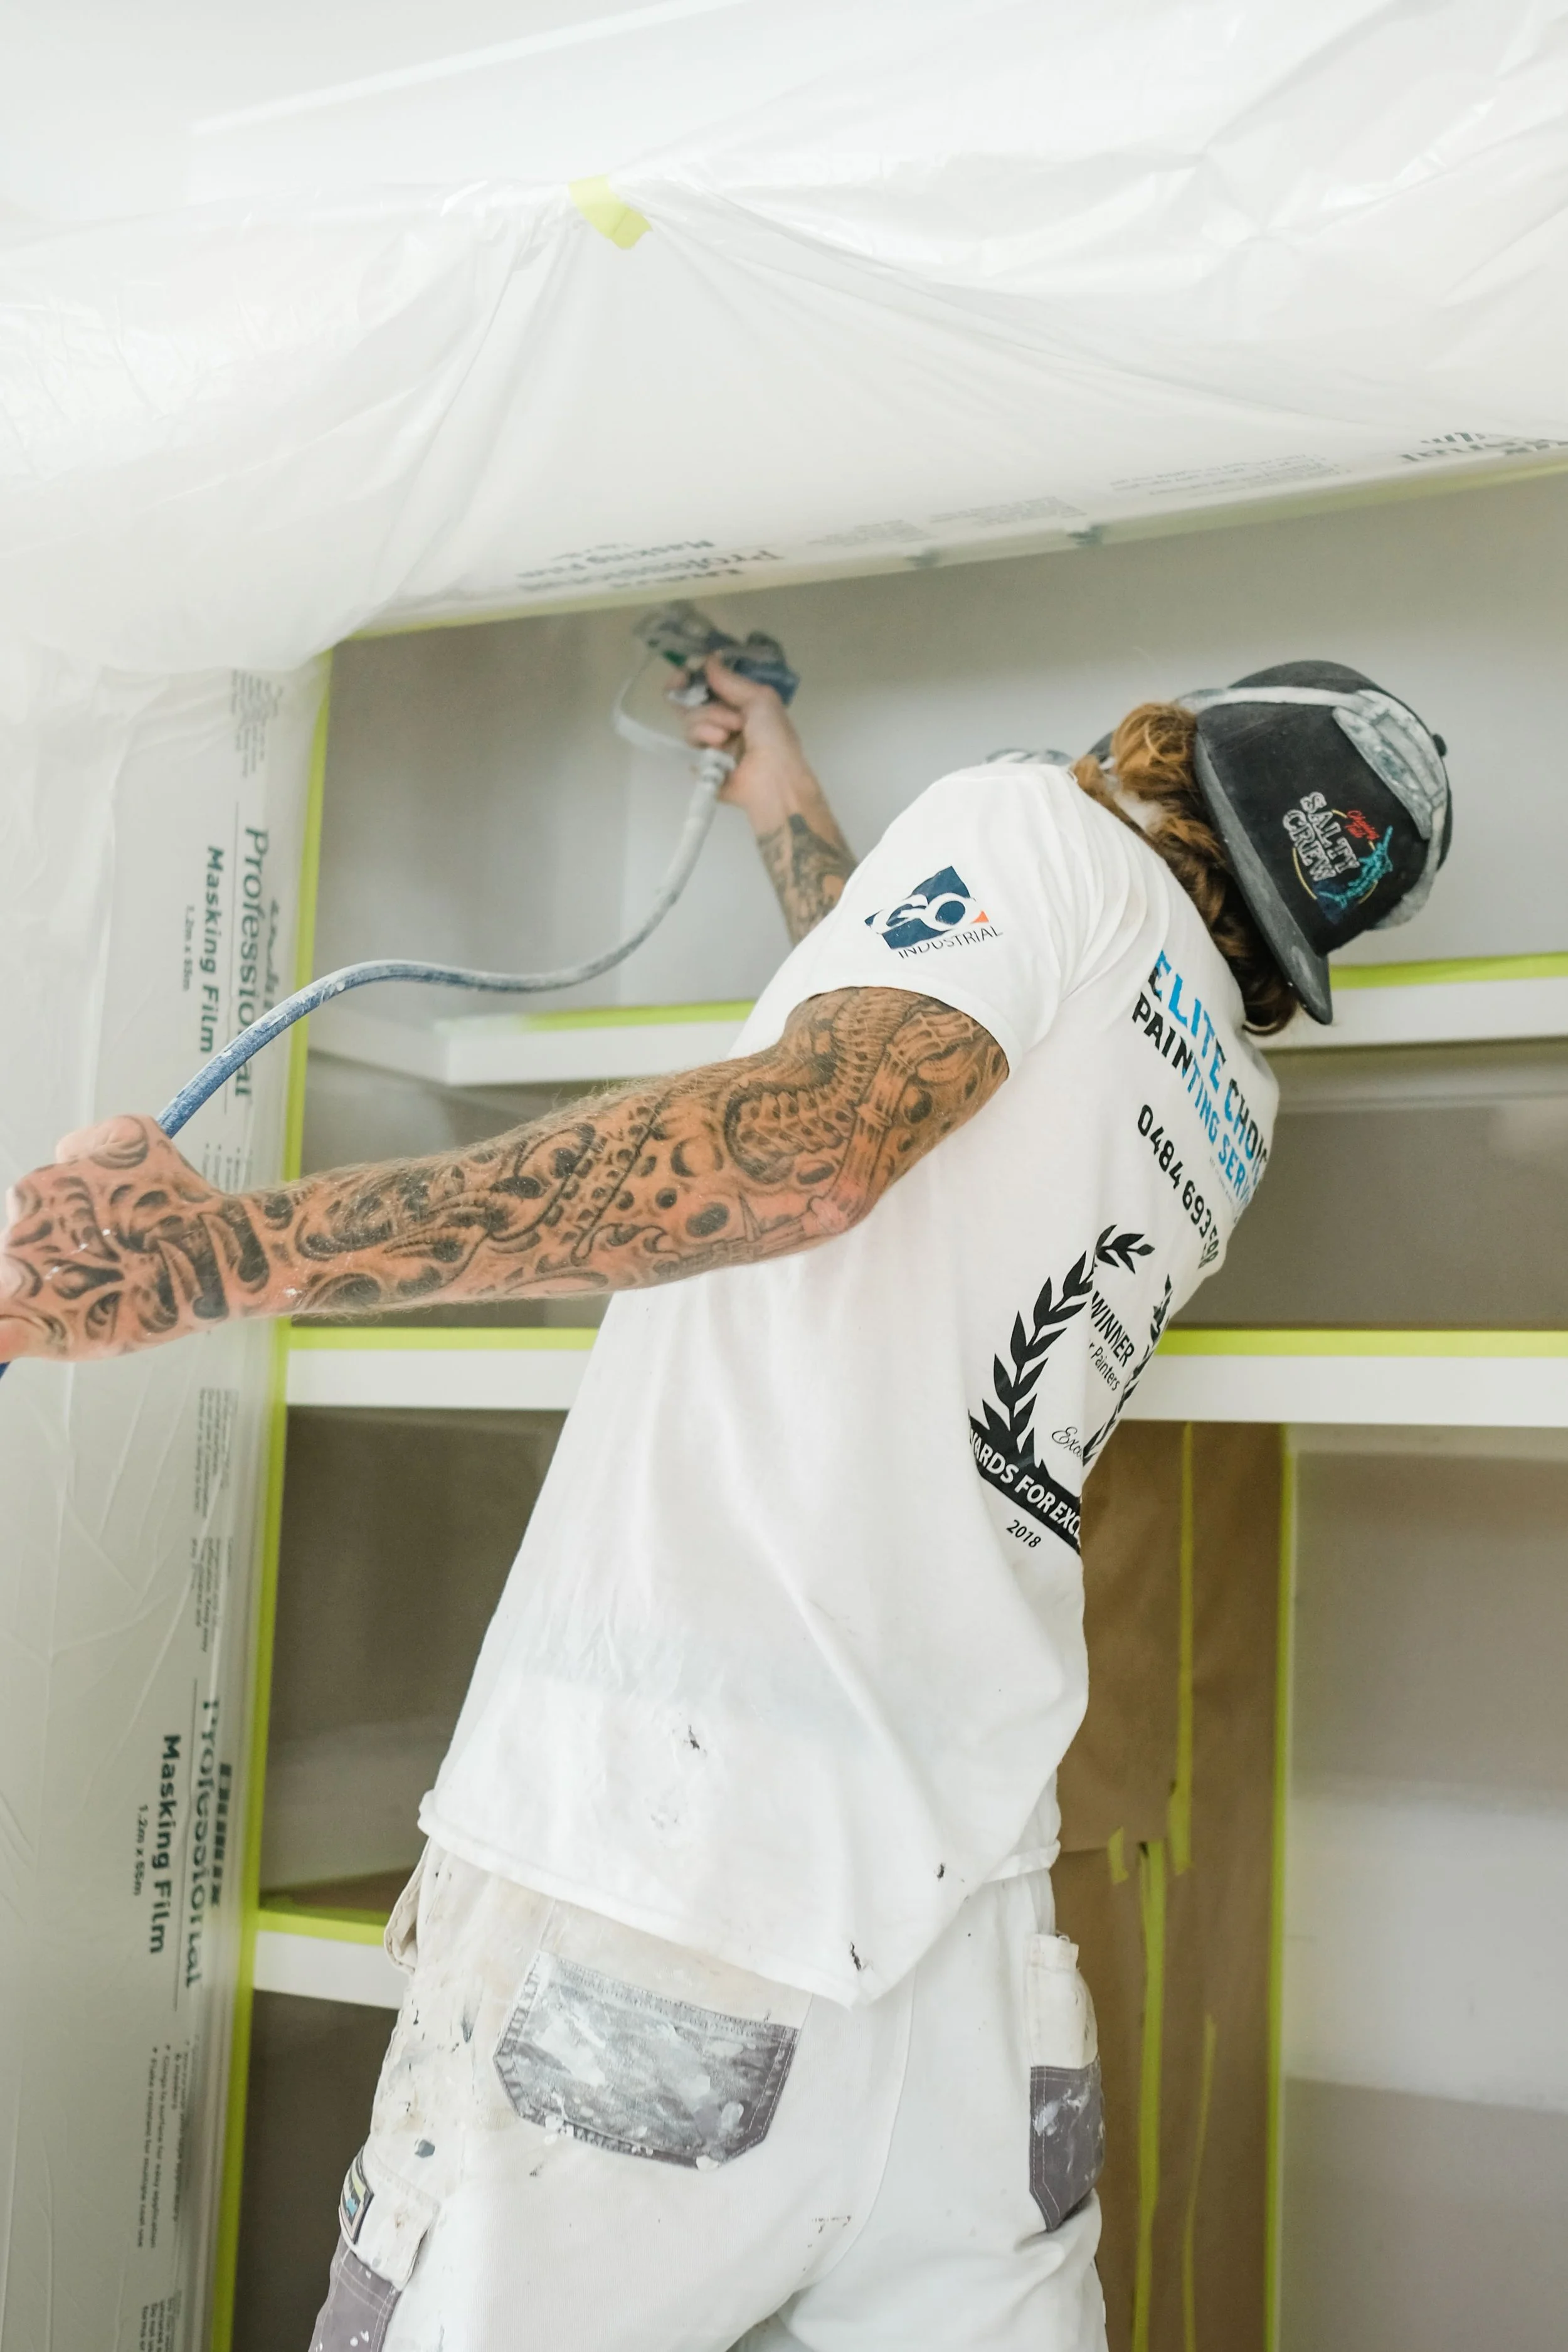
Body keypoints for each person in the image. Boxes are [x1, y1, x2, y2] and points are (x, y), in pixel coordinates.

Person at [0, 653, 1451, 2351]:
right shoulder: (1222, 1099)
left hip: (676, 1878)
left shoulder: (1034, 831)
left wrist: (214, 1252)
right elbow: (903, 1042)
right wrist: (787, 805)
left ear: (1157, 746)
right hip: (970, 1963)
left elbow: (820, 1140)